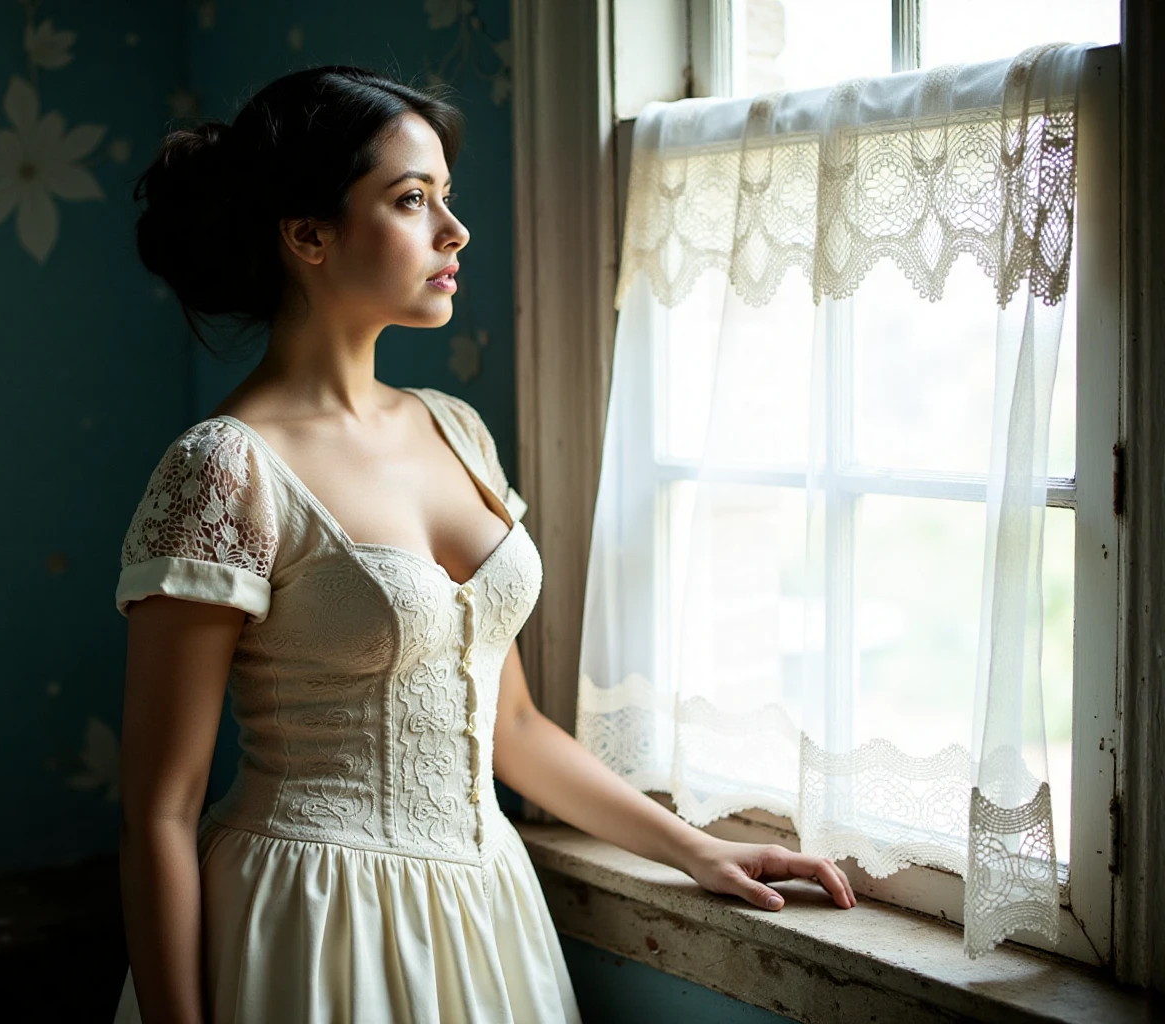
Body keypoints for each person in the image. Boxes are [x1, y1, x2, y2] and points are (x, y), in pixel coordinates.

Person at [112, 64, 856, 1024]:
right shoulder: (225, 468)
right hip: (309, 918)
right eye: (411, 201)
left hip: (484, 912)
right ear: (308, 235)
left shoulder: (456, 430)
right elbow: (158, 813)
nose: (454, 232)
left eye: (445, 199)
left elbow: (512, 731)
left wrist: (692, 848)